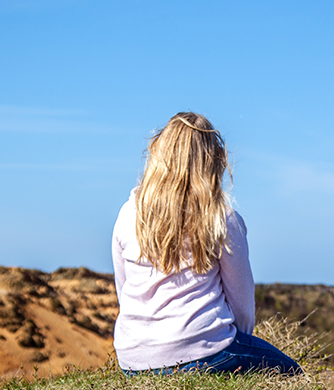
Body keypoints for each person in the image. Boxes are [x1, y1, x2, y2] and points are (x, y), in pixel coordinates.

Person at [111, 112, 301, 375]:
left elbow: (125, 291)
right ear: (212, 159)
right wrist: (238, 344)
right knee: (294, 373)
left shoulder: (128, 213)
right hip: (205, 351)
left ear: (158, 154)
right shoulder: (221, 217)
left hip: (133, 361)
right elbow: (242, 306)